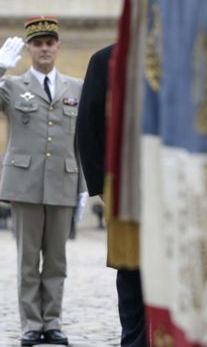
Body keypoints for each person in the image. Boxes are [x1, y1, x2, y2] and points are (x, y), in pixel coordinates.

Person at [0, 16, 86, 346]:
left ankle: (54, 321)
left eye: (50, 43)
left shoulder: (75, 87)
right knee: (28, 260)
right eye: (38, 44)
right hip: (25, 183)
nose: (44, 49)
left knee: (57, 262)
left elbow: (82, 139)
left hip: (63, 181)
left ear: (58, 47)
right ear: (29, 49)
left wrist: (83, 185)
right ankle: (32, 324)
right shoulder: (13, 86)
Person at [76, 44, 147, 347]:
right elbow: (88, 126)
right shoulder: (106, 59)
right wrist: (102, 186)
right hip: (127, 185)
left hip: (176, 184)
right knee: (132, 270)